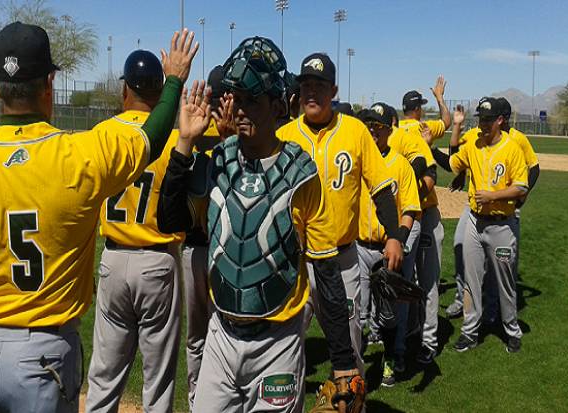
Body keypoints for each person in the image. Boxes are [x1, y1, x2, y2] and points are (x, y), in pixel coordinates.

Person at [0, 22, 196, 412]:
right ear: (49, 83)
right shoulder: (82, 155)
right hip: (42, 358)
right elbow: (152, 135)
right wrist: (175, 80)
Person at [157, 37, 363, 412]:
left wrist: (344, 361)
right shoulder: (218, 160)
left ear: (278, 104)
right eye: (236, 98)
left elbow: (326, 270)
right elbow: (169, 220)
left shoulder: (301, 174)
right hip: (221, 336)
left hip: (278, 342)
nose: (239, 110)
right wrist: (185, 144)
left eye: (252, 100)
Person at [277, 53, 403, 373]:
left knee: (349, 350)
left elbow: (381, 188)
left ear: (333, 91)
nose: (311, 92)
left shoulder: (356, 131)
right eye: (306, 85)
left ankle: (352, 404)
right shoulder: (285, 136)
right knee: (282, 350)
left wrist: (393, 235)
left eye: (319, 85)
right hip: (296, 263)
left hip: (342, 260)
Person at [85, 50, 186, 413]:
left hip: (112, 260)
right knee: (158, 383)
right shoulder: (173, 140)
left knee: (104, 375)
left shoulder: (101, 134)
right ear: (161, 92)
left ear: (125, 90)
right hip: (158, 264)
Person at [439, 98, 539, 319]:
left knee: (500, 264)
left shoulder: (516, 139)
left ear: (501, 119)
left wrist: (522, 196)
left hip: (505, 210)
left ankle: (493, 309)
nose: (484, 122)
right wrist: (461, 175)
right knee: (460, 246)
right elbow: (455, 155)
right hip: (476, 208)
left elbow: (534, 168)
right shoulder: (479, 135)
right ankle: (462, 299)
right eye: (482, 118)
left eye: (489, 118)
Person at [357, 104, 421, 387]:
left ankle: (393, 357)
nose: (372, 129)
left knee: (388, 313)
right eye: (368, 124)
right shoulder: (357, 161)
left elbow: (410, 209)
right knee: (356, 312)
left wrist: (398, 241)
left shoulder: (400, 164)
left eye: (378, 126)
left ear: (388, 130)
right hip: (358, 247)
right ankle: (354, 368)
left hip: (388, 249)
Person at [396, 77, 451, 364]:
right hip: (425, 213)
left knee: (404, 282)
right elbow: (447, 120)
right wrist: (441, 97)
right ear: (417, 109)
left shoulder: (392, 132)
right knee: (428, 281)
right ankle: (428, 342)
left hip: (400, 216)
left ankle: (403, 335)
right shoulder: (424, 129)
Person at [181, 64, 224, 410]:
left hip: (219, 253)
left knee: (214, 334)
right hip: (196, 250)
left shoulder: (240, 147)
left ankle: (207, 396)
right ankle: (199, 399)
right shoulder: (190, 138)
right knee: (199, 335)